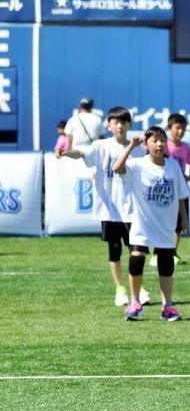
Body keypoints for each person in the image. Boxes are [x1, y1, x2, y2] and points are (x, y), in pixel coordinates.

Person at [56, 106, 149, 308]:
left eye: (124, 122)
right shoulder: (100, 146)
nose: (120, 125)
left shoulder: (138, 148)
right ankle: (120, 289)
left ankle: (138, 288)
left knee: (136, 251)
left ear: (129, 125)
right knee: (114, 251)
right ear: (108, 125)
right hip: (109, 210)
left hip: (133, 209)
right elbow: (80, 153)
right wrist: (66, 152)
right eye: (116, 122)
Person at [112, 126, 190, 322]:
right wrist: (131, 146)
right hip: (142, 224)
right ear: (146, 144)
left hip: (165, 225)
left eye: (162, 140)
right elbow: (117, 168)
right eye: (154, 140)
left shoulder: (173, 166)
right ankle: (135, 303)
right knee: (136, 258)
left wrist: (185, 218)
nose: (159, 144)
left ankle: (167, 307)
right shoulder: (138, 164)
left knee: (166, 264)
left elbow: (181, 195)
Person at [152, 112, 190, 267]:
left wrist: (189, 177)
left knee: (179, 224)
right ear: (170, 128)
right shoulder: (164, 146)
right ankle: (157, 253)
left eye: (183, 128)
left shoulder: (186, 147)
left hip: (181, 190)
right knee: (163, 221)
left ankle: (173, 252)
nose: (180, 131)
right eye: (177, 128)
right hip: (166, 189)